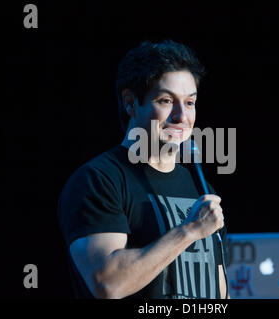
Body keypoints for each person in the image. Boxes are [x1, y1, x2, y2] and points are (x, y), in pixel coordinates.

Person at [57, 40, 229, 299]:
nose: (181, 117)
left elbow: (219, 293)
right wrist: (190, 230)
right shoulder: (99, 180)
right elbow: (108, 284)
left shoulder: (200, 188)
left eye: (190, 102)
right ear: (130, 102)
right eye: (166, 100)